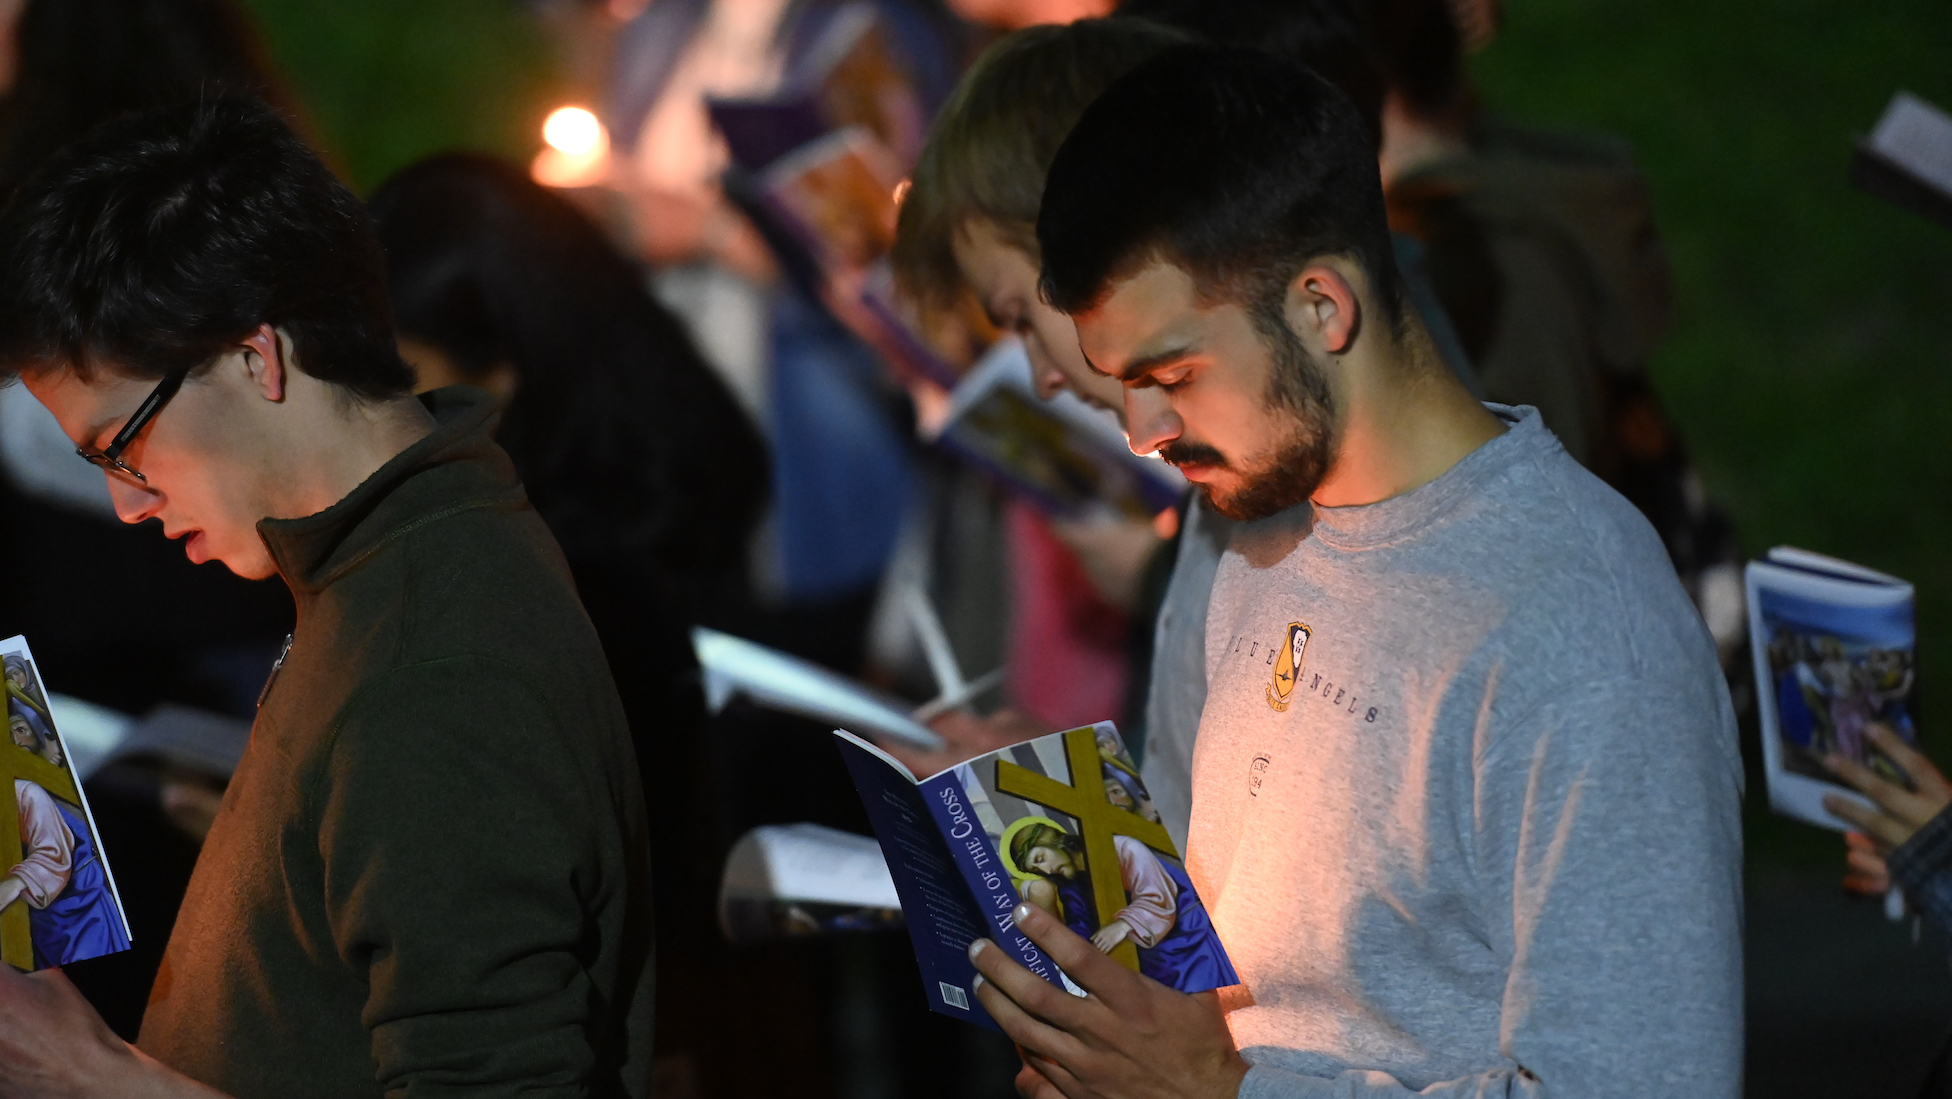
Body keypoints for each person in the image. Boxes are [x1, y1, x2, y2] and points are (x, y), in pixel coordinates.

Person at [965, 46, 1742, 1097]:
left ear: (1320, 308)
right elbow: (1196, 934)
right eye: (1122, 383)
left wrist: (1218, 1091)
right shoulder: (1239, 527)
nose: (1144, 433)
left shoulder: (1579, 626)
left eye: (1173, 374)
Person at [0, 98, 655, 1098]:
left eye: (121, 448)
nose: (123, 507)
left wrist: (96, 1078)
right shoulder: (391, 560)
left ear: (255, 358)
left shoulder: (438, 666)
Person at [366, 150, 766, 1094]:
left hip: (646, 998)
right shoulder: (646, 443)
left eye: (399, 376)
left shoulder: (568, 562)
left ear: (498, 368)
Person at [1005, 818, 1234, 988]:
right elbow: (1080, 927)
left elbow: (1157, 897)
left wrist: (1123, 925)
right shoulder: (1071, 885)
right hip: (1145, 959)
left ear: (1052, 841)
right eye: (1036, 870)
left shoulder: (1124, 848)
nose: (1046, 870)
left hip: (1188, 940)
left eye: (1040, 859)